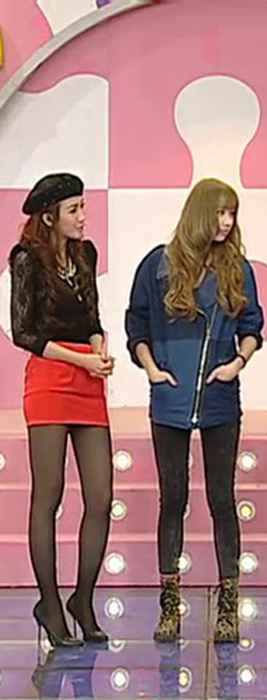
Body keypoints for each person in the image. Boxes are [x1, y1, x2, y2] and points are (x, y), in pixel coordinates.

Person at [125, 178, 264, 643]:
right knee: (174, 499)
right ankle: (169, 606)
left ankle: (228, 607)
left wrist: (238, 362)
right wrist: (150, 368)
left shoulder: (238, 269)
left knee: (222, 499)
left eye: (232, 214)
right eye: (220, 212)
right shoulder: (157, 265)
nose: (226, 222)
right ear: (200, 213)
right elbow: (136, 322)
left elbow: (252, 325)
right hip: (169, 398)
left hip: (220, 398)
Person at [9, 173, 114, 646]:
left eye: (83, 207)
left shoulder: (85, 255)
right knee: (48, 495)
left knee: (101, 496)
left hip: (88, 380)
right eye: (74, 209)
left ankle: (83, 599)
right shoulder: (27, 259)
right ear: (49, 216)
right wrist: (79, 359)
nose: (83, 216)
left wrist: (99, 347)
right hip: (51, 379)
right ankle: (49, 604)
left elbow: (92, 317)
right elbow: (24, 332)